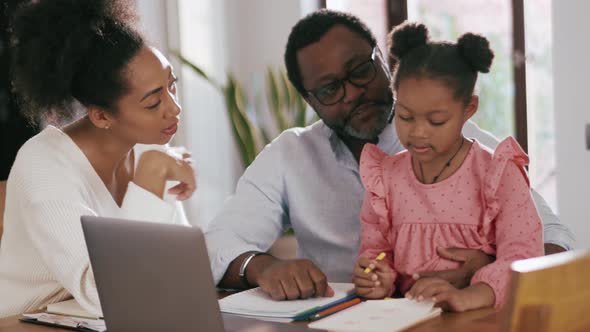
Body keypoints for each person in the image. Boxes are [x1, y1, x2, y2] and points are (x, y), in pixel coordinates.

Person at [205, 9, 574, 301]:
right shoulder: (290, 155)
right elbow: (214, 244)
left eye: (361, 71)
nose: (353, 94)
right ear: (309, 100)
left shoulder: (454, 138)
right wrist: (262, 267)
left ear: (384, 60)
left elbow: (556, 239)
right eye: (331, 89)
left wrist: (489, 270)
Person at [0, 0, 196, 318]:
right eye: (152, 102)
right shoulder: (43, 164)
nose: (174, 108)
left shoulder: (148, 150)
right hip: (21, 324)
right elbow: (109, 295)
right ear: (102, 116)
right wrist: (148, 185)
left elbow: (180, 271)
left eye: (171, 86)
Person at [352, 23, 543, 312]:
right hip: (411, 318)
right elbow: (377, 252)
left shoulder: (497, 174)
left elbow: (523, 255)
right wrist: (377, 278)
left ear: (469, 109)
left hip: (482, 318)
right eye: (405, 116)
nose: (418, 132)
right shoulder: (386, 177)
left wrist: (468, 296)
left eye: (436, 121)